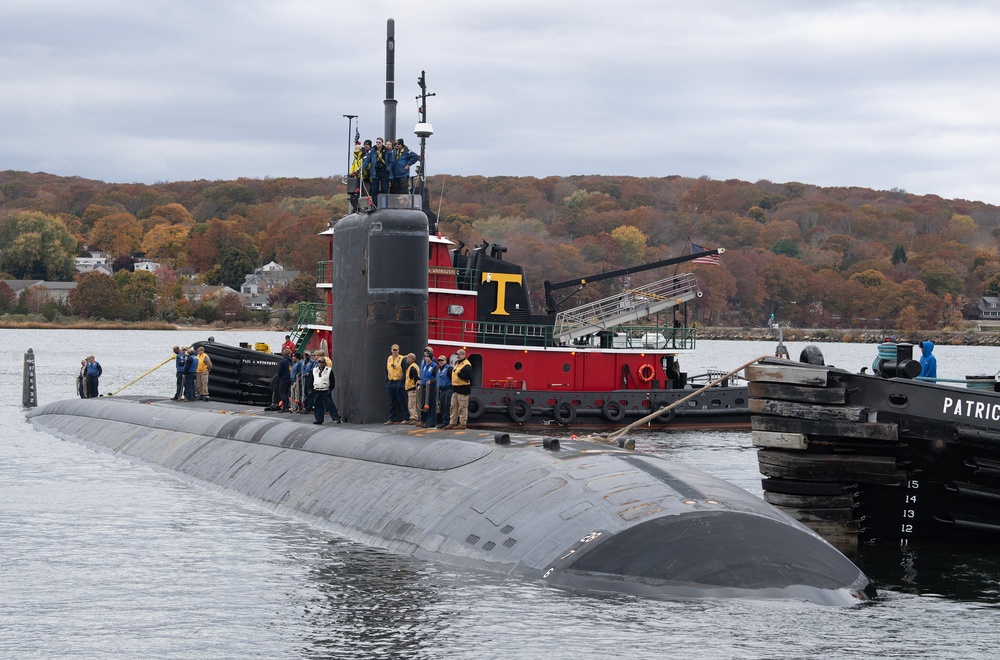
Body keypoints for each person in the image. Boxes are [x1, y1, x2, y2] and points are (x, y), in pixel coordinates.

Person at [445, 349, 473, 430]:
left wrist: (459, 374)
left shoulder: (467, 365)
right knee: (453, 406)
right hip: (455, 388)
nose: (458, 356)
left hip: (463, 389)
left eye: (460, 355)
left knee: (462, 407)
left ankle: (462, 423)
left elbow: (469, 377)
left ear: (464, 355)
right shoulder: (458, 364)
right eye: (457, 354)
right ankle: (452, 422)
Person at [311, 350, 341, 425]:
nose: (320, 364)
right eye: (319, 362)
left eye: (321, 362)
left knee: (330, 405)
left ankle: (336, 418)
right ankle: (319, 420)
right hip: (317, 390)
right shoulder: (314, 371)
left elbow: (332, 381)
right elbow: (311, 380)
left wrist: (330, 389)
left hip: (325, 391)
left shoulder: (329, 371)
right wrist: (311, 390)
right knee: (318, 406)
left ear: (324, 363)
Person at [363, 137, 395, 201]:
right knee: (374, 190)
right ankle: (375, 204)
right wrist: (361, 169)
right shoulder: (372, 150)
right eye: (377, 142)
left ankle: (384, 204)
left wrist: (388, 169)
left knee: (384, 190)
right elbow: (367, 160)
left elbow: (391, 161)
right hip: (375, 172)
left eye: (379, 142)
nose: (378, 144)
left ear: (382, 143)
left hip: (384, 172)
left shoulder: (387, 151)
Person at [385, 343, 406, 424]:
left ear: (398, 351)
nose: (395, 352)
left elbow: (405, 371)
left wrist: (401, 382)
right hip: (391, 383)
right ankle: (392, 419)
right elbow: (386, 370)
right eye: (393, 350)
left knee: (402, 401)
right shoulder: (389, 358)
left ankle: (405, 418)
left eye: (396, 350)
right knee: (392, 402)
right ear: (391, 351)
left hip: (399, 382)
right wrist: (387, 381)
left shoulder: (402, 359)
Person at [419, 352, 438, 428]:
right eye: (425, 357)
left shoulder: (434, 366)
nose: (426, 358)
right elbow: (423, 376)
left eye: (427, 357)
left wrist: (431, 381)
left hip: (431, 388)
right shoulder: (425, 366)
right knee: (426, 405)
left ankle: (432, 421)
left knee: (431, 405)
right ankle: (427, 421)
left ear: (431, 358)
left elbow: (437, 377)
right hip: (424, 387)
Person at [434, 355, 453, 429]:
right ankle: (444, 421)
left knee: (447, 405)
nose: (440, 362)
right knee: (442, 406)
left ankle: (448, 422)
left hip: (448, 389)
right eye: (439, 360)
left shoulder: (449, 369)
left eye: (442, 360)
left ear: (445, 361)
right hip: (441, 390)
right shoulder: (439, 369)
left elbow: (453, 378)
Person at [404, 353, 421, 425]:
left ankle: (414, 418)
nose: (407, 359)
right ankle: (412, 417)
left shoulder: (412, 367)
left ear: (411, 358)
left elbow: (416, 378)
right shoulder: (412, 366)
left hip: (412, 388)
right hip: (411, 388)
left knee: (411, 404)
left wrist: (416, 386)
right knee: (411, 404)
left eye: (407, 358)